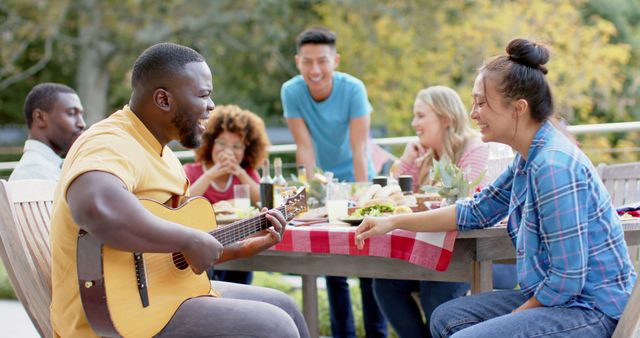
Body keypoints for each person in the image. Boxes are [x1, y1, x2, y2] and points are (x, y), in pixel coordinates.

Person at [355, 38, 636, 338]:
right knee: (446, 318)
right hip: (558, 301)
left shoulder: (552, 166)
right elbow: (475, 211)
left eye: (481, 103)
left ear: (518, 108)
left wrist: (515, 318)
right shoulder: (528, 158)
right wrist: (393, 221)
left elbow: (567, 280)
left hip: (592, 310)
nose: (473, 113)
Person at [50, 42, 309, 338]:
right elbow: (96, 207)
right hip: (107, 322)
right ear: (163, 99)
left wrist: (237, 247)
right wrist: (188, 238)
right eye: (204, 94)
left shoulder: (164, 154)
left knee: (284, 305)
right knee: (274, 326)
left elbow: (170, 257)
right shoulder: (110, 141)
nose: (212, 105)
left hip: (162, 298)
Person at [374, 85, 512, 338]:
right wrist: (406, 159)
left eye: (421, 115)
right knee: (385, 282)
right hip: (435, 253)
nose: (414, 123)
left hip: (482, 254)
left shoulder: (474, 147)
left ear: (445, 118)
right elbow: (398, 199)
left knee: (434, 286)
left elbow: (467, 203)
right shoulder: (425, 154)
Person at [281, 27, 386, 338]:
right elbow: (304, 147)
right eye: (308, 62)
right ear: (298, 61)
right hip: (323, 182)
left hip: (356, 178)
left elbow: (359, 148)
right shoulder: (291, 91)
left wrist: (365, 198)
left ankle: (377, 334)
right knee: (333, 268)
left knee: (368, 264)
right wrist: (312, 193)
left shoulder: (354, 89)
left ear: (335, 60)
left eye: (322, 61)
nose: (315, 70)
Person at [184, 104, 270, 284]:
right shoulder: (192, 172)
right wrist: (211, 174)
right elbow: (183, 202)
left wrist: (240, 172)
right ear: (209, 143)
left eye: (237, 146)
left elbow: (263, 201)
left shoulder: (246, 174)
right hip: (203, 244)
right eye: (222, 143)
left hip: (238, 243)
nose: (228, 151)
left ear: (246, 150)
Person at [9, 82, 86, 181]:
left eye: (81, 115)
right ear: (40, 118)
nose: (82, 124)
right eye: (71, 113)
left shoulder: (48, 168)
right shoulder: (34, 173)